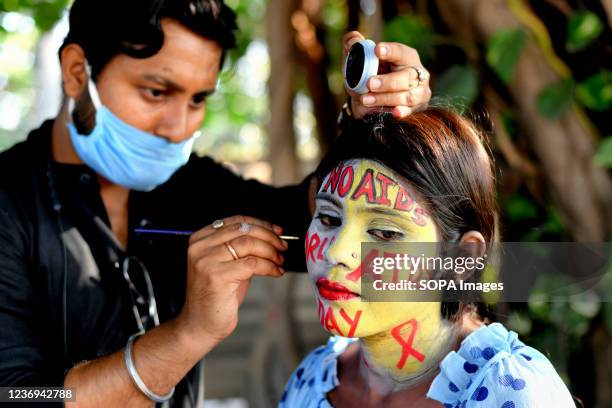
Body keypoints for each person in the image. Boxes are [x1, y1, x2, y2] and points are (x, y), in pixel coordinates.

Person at [0, 0, 432, 406]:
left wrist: (367, 122)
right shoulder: (10, 206)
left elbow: (306, 225)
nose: (178, 127)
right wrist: (188, 335)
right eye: (156, 91)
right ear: (77, 72)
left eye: (197, 99)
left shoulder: (188, 185)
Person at [281, 109, 576, 407]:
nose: (336, 252)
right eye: (330, 218)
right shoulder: (312, 378)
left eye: (384, 233)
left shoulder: (512, 393)